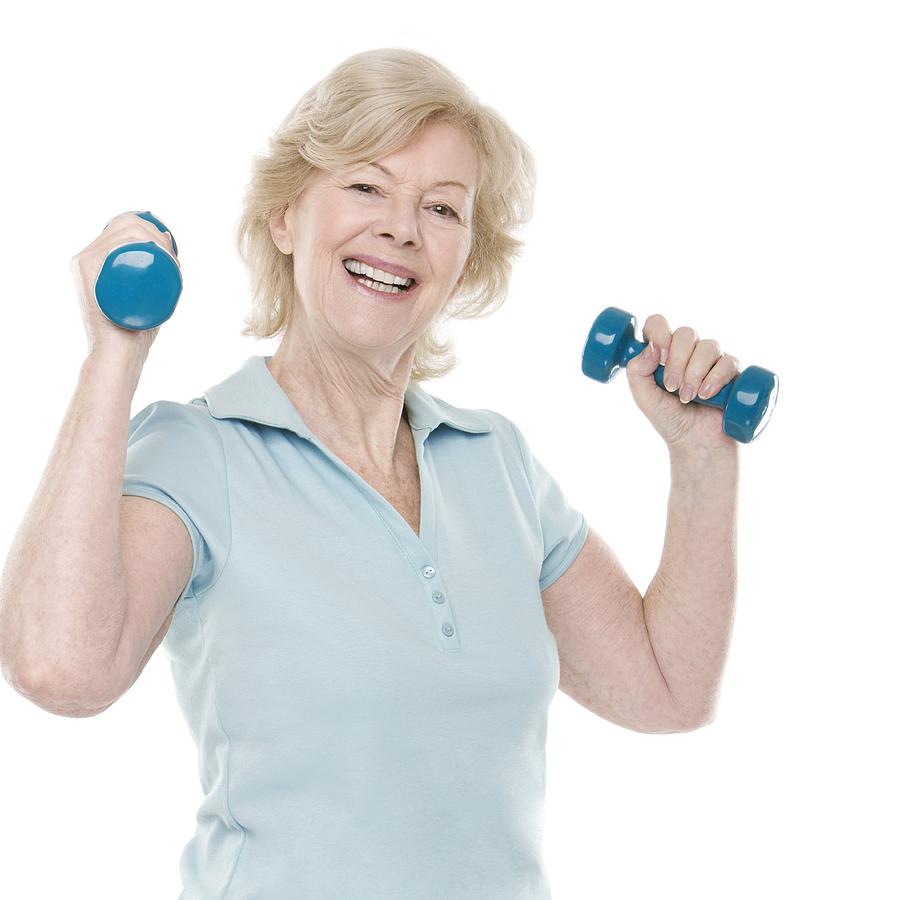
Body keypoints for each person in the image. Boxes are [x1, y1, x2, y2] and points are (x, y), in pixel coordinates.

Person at [0, 47, 741, 899]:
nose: (401, 227)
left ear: (467, 255)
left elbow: (669, 690)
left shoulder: (497, 464)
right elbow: (58, 670)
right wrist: (115, 354)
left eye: (441, 208)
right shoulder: (202, 452)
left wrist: (699, 459)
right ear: (286, 218)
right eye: (365, 187)